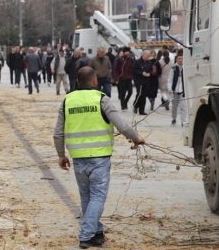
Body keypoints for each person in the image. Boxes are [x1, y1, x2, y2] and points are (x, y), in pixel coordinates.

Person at [54, 66, 146, 249]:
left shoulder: (67, 101)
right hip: (99, 157)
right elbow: (122, 125)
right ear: (95, 81)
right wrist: (137, 138)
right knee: (97, 196)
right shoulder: (101, 99)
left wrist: (61, 156)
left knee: (86, 196)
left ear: (78, 81)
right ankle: (86, 234)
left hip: (78, 158)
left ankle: (96, 232)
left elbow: (58, 134)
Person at [132, 50, 152, 115]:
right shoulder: (137, 62)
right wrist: (141, 73)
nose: (148, 57)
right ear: (144, 54)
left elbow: (151, 70)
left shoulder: (149, 62)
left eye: (149, 56)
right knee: (139, 94)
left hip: (146, 81)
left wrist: (149, 73)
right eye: (147, 55)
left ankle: (141, 110)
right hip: (139, 81)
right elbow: (134, 71)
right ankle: (135, 105)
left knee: (144, 96)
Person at [171, 52, 187, 125]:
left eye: (182, 58)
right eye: (179, 58)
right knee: (174, 106)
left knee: (183, 106)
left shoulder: (186, 67)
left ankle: (183, 121)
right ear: (176, 59)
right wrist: (170, 89)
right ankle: (174, 118)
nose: (180, 60)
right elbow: (169, 79)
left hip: (183, 90)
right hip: (175, 90)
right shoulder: (173, 68)